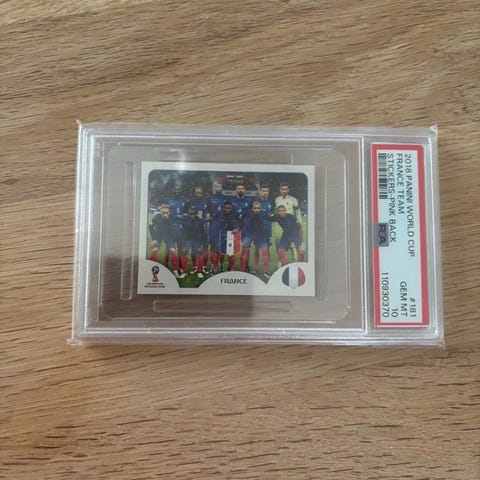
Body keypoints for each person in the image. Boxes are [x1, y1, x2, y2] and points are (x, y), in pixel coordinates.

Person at [148, 204, 185, 279]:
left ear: (169, 212)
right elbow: (150, 226)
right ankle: (151, 272)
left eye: (166, 213)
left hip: (169, 236)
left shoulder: (173, 217)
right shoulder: (156, 217)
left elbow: (182, 220)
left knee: (173, 251)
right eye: (163, 213)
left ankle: (175, 273)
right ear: (160, 212)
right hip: (158, 235)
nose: (165, 215)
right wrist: (154, 239)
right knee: (154, 250)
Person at [240, 202, 271, 278]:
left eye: (258, 208)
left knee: (264, 250)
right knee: (245, 250)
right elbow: (243, 224)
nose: (257, 210)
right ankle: (242, 270)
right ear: (252, 209)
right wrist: (243, 236)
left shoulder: (264, 215)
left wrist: (269, 237)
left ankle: (265, 270)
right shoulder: (247, 214)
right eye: (255, 208)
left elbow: (268, 225)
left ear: (261, 209)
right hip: (249, 234)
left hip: (260, 234)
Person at [209, 201, 240, 274]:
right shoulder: (218, 214)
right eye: (226, 208)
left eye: (229, 208)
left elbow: (237, 226)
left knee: (230, 253)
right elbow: (213, 224)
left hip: (230, 235)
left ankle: (231, 269)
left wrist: (237, 229)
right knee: (217, 252)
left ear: (231, 208)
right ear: (223, 208)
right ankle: (214, 269)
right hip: (219, 235)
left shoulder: (234, 215)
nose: (227, 209)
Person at [186, 186, 211, 274]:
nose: (198, 194)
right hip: (194, 227)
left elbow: (210, 213)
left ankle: (204, 266)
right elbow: (186, 213)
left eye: (200, 193)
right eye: (197, 193)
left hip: (204, 226)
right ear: (194, 193)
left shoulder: (206, 201)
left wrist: (207, 217)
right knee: (194, 247)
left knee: (205, 247)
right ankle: (194, 266)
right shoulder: (190, 202)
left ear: (202, 193)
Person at [180, 207, 207, 279]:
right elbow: (182, 232)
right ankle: (184, 272)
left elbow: (203, 233)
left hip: (197, 240)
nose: (192, 215)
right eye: (190, 214)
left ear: (196, 214)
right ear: (188, 214)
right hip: (187, 239)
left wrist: (201, 244)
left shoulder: (200, 221)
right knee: (184, 253)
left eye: (193, 214)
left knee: (199, 253)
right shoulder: (184, 220)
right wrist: (182, 244)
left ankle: (199, 271)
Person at [164, 185, 187, 268]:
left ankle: (180, 266)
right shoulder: (167, 199)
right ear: (172, 190)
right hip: (170, 226)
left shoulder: (184, 200)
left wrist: (183, 217)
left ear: (180, 190)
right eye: (175, 189)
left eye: (178, 190)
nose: (177, 191)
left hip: (181, 227)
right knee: (168, 246)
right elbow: (164, 211)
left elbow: (186, 212)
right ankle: (165, 264)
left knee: (180, 246)